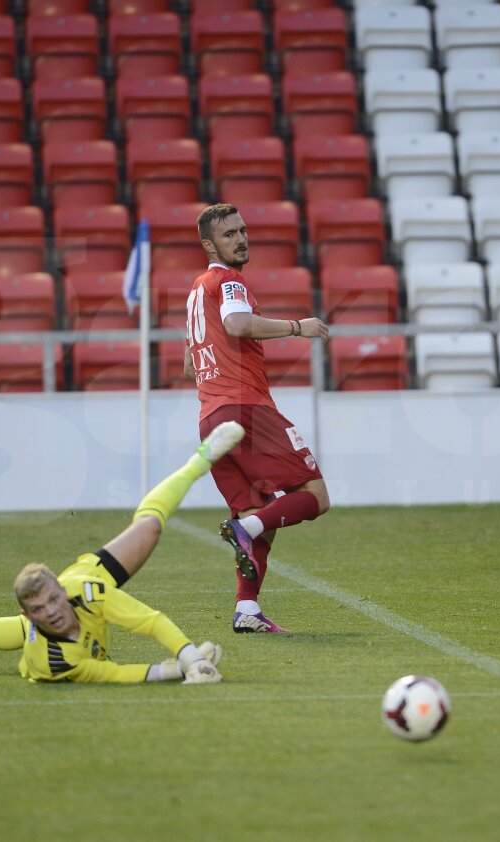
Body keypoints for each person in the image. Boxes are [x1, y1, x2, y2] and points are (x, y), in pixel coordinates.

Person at [0, 421, 248, 684]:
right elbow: (109, 673)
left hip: (87, 574)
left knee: (149, 527)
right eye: (38, 610)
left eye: (52, 602)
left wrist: (189, 656)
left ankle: (199, 461)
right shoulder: (51, 663)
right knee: (14, 634)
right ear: (28, 615)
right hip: (45, 640)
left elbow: (148, 620)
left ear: (61, 592)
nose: (51, 613)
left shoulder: (84, 591)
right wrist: (177, 670)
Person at [185, 202, 331, 634]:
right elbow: (238, 325)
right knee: (315, 496)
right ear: (210, 245)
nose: (241, 239)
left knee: (258, 512)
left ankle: (246, 609)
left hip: (211, 417)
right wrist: (297, 327)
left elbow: (189, 365)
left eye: (242, 230)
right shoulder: (229, 280)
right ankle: (244, 528)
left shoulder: (196, 291)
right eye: (229, 234)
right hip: (246, 407)